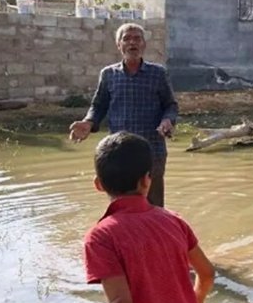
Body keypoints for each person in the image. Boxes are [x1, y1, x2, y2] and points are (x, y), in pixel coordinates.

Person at [83, 131, 215, 303]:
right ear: (146, 180)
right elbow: (207, 273)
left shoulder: (101, 237)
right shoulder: (174, 221)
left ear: (98, 184)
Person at [68, 23, 178, 207]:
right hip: (119, 153)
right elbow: (99, 105)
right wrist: (88, 122)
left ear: (144, 45)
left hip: (152, 150)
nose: (132, 42)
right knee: (120, 204)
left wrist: (167, 120)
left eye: (137, 38)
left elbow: (170, 105)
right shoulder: (109, 74)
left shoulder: (158, 74)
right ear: (119, 45)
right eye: (126, 38)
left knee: (154, 205)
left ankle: (154, 235)